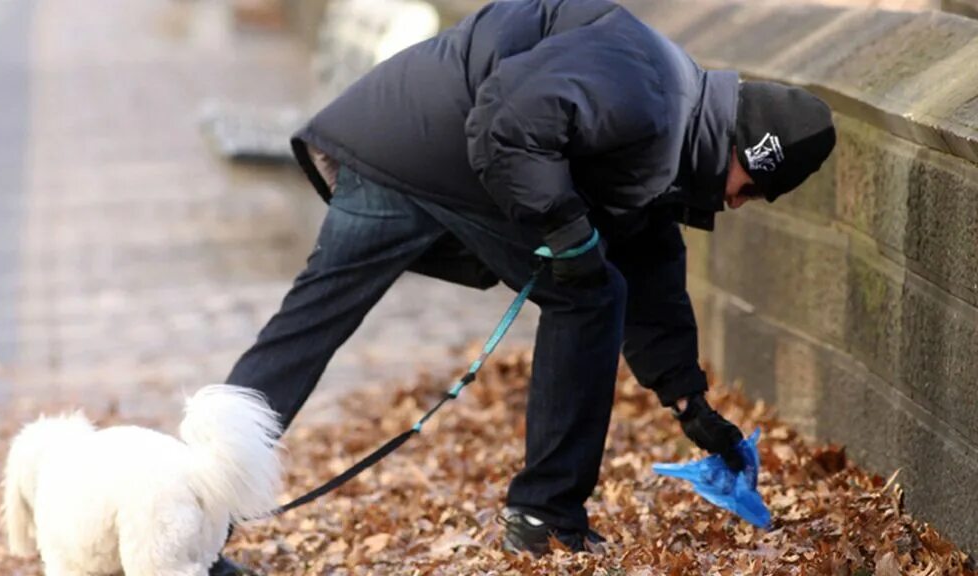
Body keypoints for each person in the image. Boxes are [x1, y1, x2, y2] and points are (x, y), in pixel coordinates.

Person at [210, 0, 835, 572]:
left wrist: (690, 404)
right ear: (743, 147)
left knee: (305, 330)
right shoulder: (646, 90)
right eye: (750, 187)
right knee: (588, 294)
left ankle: (192, 519)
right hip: (431, 150)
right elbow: (507, 123)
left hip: (395, 147)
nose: (739, 203)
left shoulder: (672, 125)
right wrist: (566, 232)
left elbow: (653, 271)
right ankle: (545, 516)